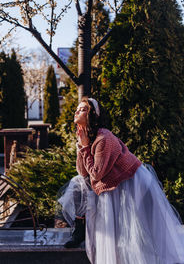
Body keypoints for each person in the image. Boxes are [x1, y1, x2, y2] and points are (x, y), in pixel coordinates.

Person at [58, 96, 184, 264]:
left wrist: (86, 147)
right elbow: (83, 172)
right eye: (77, 109)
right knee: (76, 183)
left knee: (136, 231)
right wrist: (81, 146)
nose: (77, 111)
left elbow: (96, 174)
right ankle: (80, 229)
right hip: (108, 180)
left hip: (130, 181)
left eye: (82, 109)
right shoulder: (85, 137)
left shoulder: (104, 138)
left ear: (92, 115)